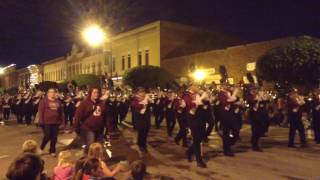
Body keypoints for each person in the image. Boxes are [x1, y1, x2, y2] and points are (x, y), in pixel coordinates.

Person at [74, 87, 108, 152]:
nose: (96, 94)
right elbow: (77, 117)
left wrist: (107, 128)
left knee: (98, 147)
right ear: (90, 93)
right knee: (90, 147)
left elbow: (105, 116)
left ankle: (96, 161)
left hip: (99, 129)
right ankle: (87, 160)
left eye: (98, 92)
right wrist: (77, 129)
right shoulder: (84, 103)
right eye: (94, 92)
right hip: (88, 129)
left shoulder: (101, 104)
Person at [184, 85, 207, 168]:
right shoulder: (187, 95)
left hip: (201, 119)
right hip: (193, 121)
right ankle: (199, 161)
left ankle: (189, 152)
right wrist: (200, 99)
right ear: (191, 87)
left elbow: (204, 104)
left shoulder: (198, 94)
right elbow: (190, 105)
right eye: (195, 86)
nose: (198, 87)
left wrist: (205, 99)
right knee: (197, 140)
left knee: (201, 138)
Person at [38, 88, 64, 157]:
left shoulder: (58, 102)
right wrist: (41, 121)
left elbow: (61, 112)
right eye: (51, 92)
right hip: (47, 122)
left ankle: (52, 150)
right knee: (47, 136)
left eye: (53, 92)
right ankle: (41, 148)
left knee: (54, 137)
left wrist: (62, 122)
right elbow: (41, 112)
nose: (52, 93)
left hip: (56, 122)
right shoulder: (43, 101)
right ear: (48, 93)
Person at [131, 88, 152, 153]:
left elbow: (152, 104)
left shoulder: (146, 99)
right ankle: (141, 145)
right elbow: (138, 105)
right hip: (139, 119)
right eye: (140, 92)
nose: (142, 94)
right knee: (141, 132)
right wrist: (145, 100)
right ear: (137, 93)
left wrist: (150, 100)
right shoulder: (135, 100)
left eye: (143, 92)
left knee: (146, 132)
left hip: (146, 118)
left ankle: (143, 143)